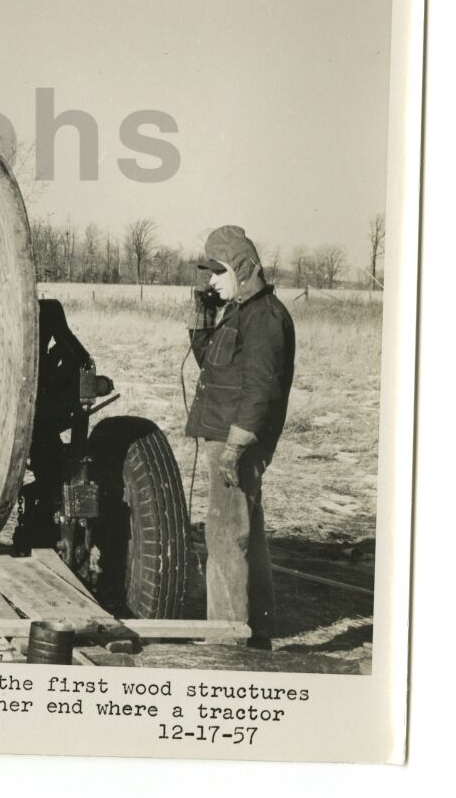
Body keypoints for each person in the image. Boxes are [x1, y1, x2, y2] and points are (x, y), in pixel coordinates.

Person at [185, 225, 295, 649]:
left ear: (243, 268)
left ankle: (226, 638)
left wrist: (234, 447)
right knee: (248, 533)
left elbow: (261, 389)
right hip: (226, 438)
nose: (210, 279)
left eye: (218, 270)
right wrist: (201, 313)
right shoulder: (236, 312)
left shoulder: (264, 317)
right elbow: (208, 364)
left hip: (237, 442)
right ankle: (257, 631)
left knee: (226, 536)